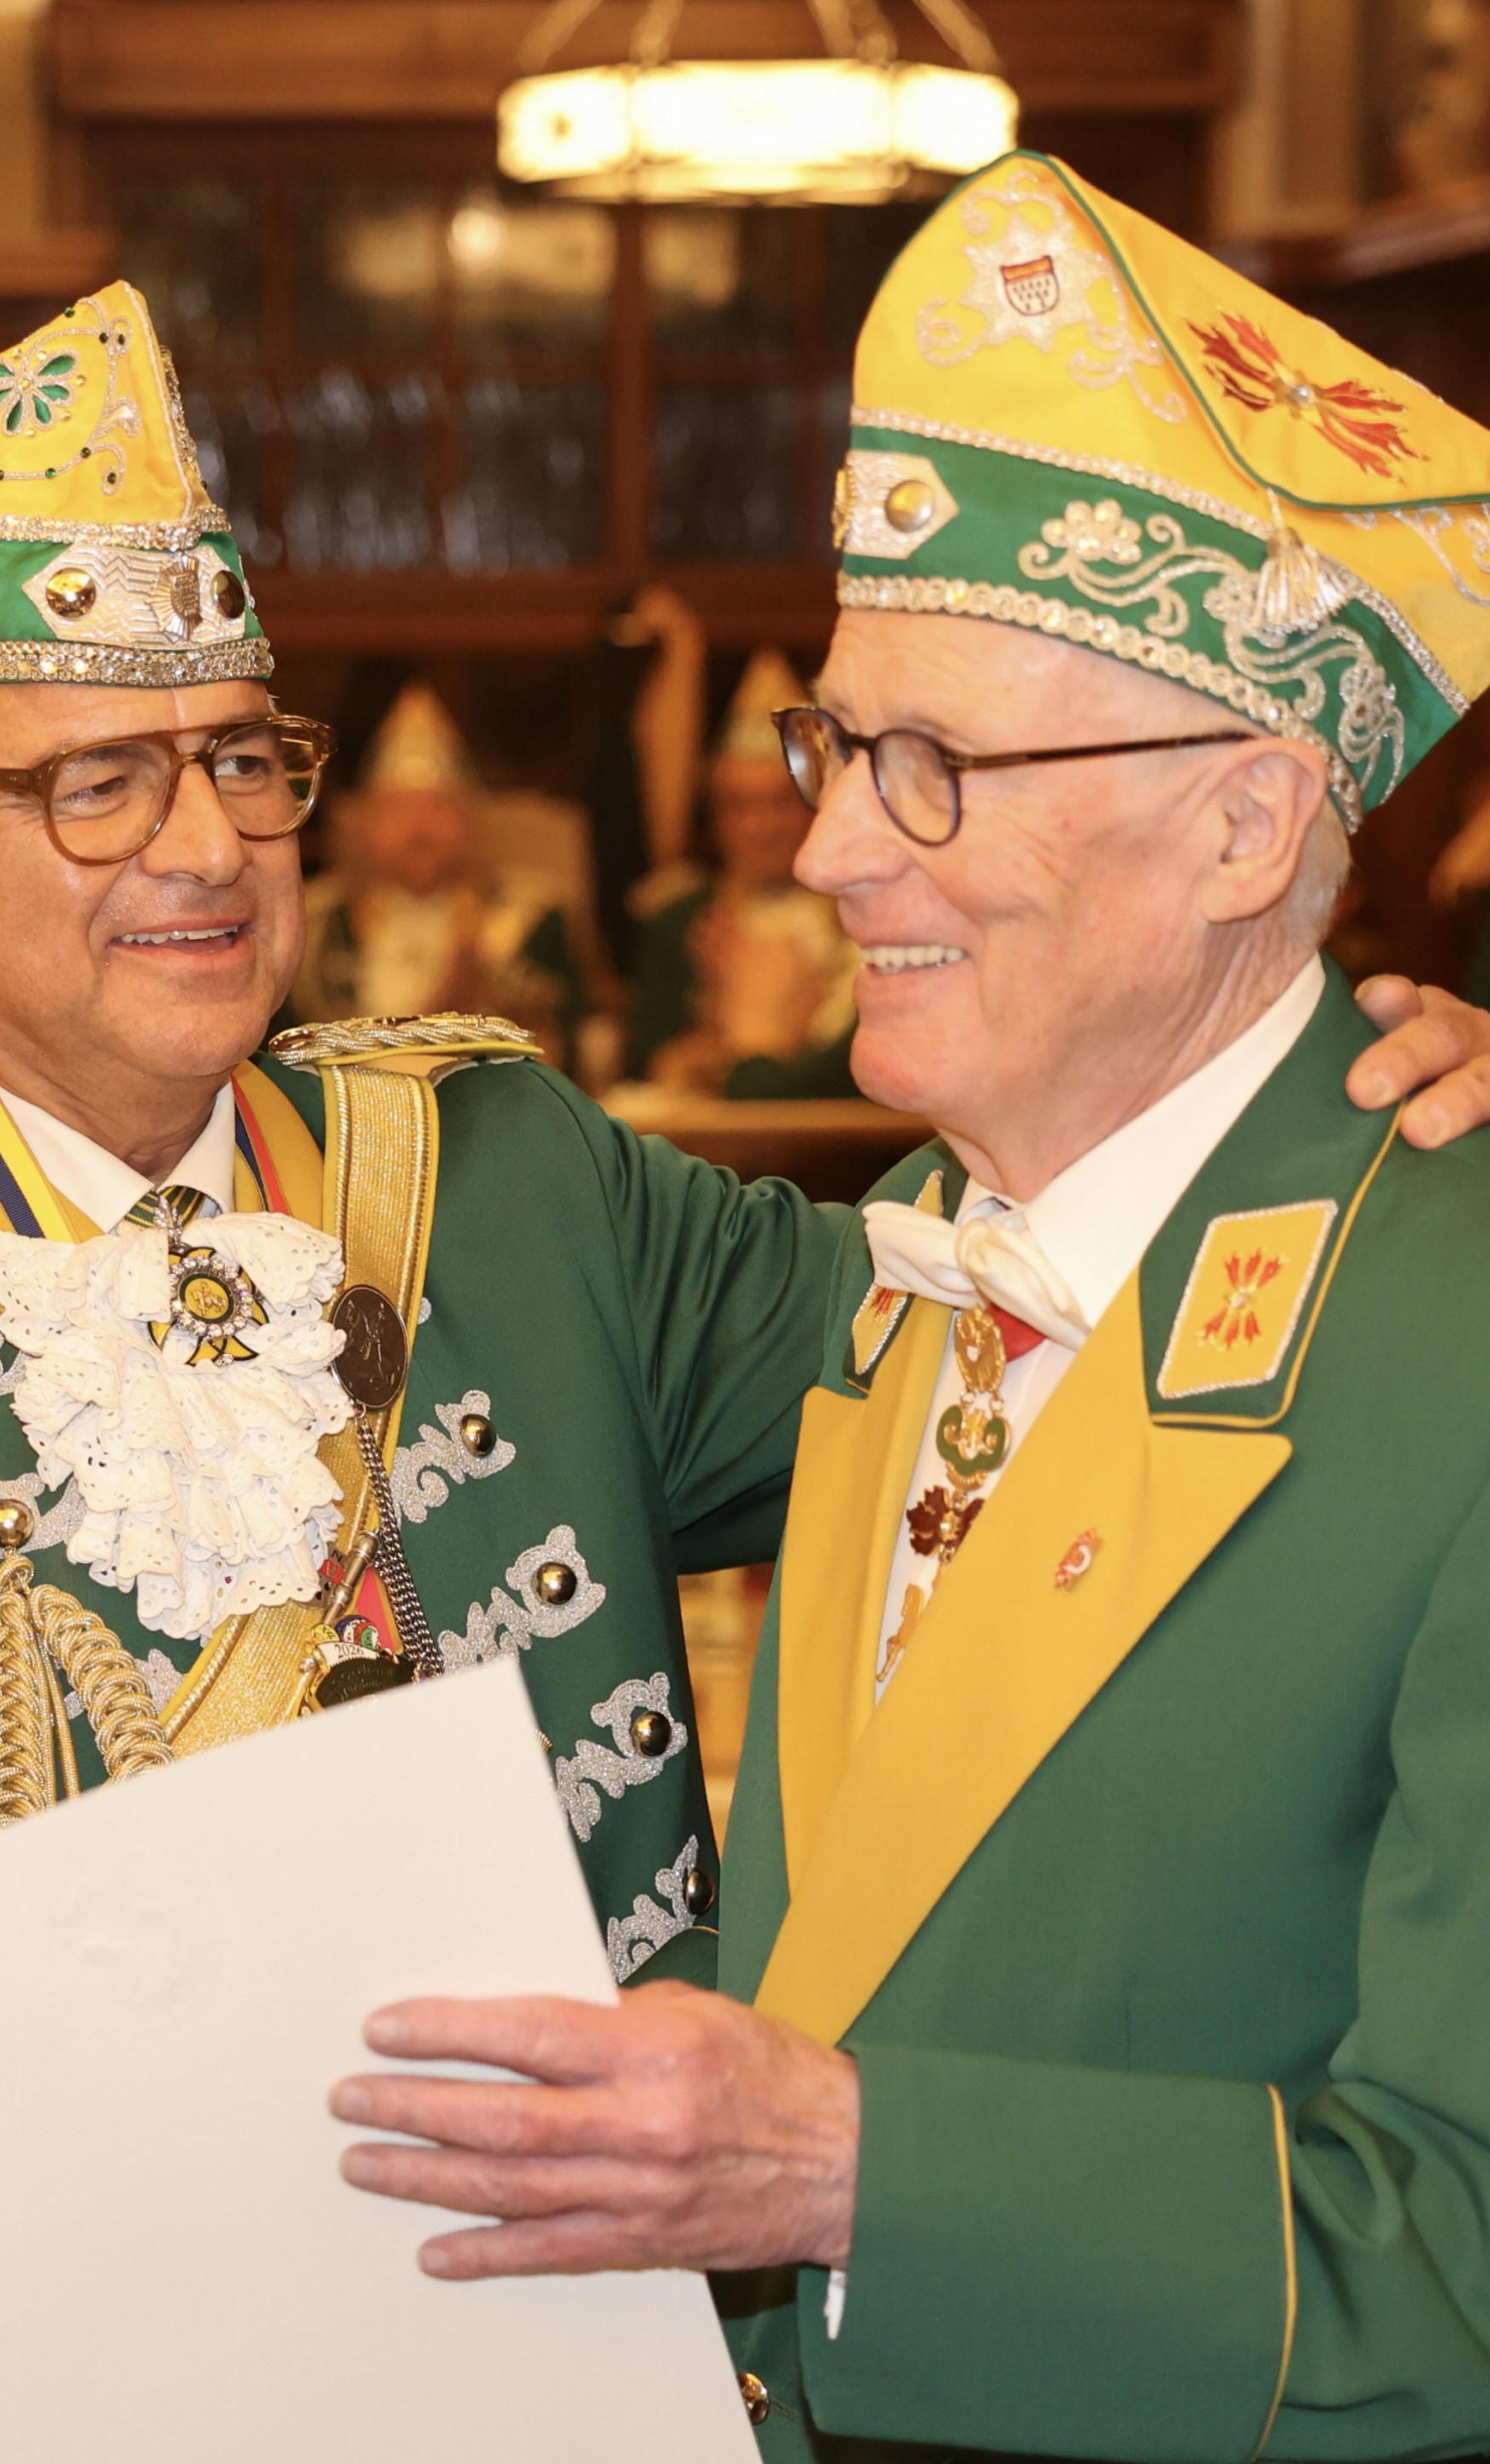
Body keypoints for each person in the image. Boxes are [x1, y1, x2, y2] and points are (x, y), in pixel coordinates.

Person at [331, 151, 1490, 2463]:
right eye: (834, 745)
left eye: (932, 768)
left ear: (1246, 826)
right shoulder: (906, 1268)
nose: (830, 845)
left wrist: (855, 2173)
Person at [0, 283, 838, 2464]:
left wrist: (1343, 1128)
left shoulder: (507, 1178)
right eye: (97, 781)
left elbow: (990, 1328)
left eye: (240, 758)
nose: (205, 847)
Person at [291, 680, 587, 1069]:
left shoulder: (530, 920)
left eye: (440, 806)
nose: (420, 828)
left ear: (472, 819)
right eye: (398, 808)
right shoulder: (312, 926)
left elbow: (567, 1057)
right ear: (364, 824)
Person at [628, 648, 859, 1098]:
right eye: (740, 805)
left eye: (781, 802)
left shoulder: (865, 920)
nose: (762, 828)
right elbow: (647, 1063)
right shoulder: (677, 925)